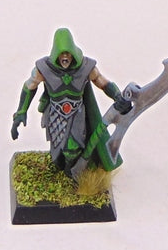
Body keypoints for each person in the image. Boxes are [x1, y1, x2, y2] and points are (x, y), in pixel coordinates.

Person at [11, 28, 132, 179]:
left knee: (73, 148)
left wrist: (118, 97)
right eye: (62, 54)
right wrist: (21, 112)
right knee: (57, 147)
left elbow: (102, 82)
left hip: (77, 113)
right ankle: (62, 166)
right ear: (56, 53)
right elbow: (29, 86)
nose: (65, 57)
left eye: (68, 53)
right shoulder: (43, 69)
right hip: (55, 112)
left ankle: (70, 172)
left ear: (73, 53)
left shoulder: (86, 67)